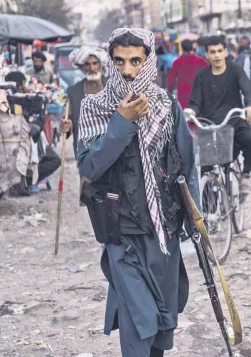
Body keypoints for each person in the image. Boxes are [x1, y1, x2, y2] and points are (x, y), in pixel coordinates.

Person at [76, 27, 201, 357]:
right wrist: (121, 121)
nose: (127, 70)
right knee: (138, 319)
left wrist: (196, 218)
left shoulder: (166, 105)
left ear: (148, 62)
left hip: (165, 231)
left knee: (162, 320)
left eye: (135, 61)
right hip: (122, 232)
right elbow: (89, 167)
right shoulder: (94, 107)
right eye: (119, 61)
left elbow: (186, 167)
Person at [188, 36, 251, 191]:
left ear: (225, 52)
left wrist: (250, 106)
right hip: (209, 127)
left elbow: (248, 92)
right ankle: (208, 209)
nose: (216, 55)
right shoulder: (201, 75)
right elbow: (195, 102)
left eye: (220, 51)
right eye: (212, 52)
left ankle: (245, 175)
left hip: (234, 121)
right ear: (206, 55)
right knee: (206, 171)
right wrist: (191, 111)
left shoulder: (235, 70)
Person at [62, 46, 109, 152]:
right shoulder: (73, 92)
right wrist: (66, 126)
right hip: (85, 149)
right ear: (82, 67)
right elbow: (68, 120)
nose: (92, 68)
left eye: (95, 63)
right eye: (87, 64)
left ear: (100, 65)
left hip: (110, 146)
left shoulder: (113, 87)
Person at [166, 40, 208, 109]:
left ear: (182, 48)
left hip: (183, 97)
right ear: (192, 47)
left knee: (185, 116)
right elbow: (209, 74)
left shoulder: (177, 62)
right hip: (198, 95)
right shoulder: (200, 61)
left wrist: (169, 92)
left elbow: (171, 81)